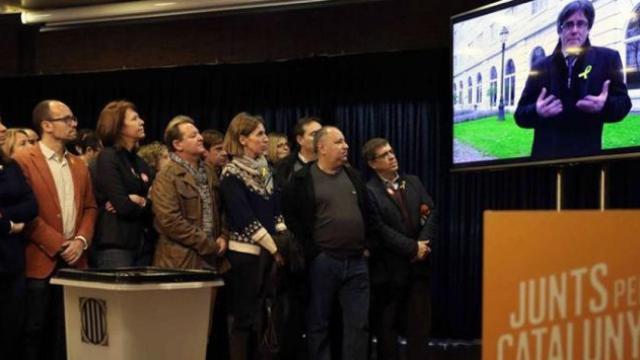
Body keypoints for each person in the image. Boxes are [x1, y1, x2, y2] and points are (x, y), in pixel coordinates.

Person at [282, 126, 379, 360]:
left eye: (345, 141)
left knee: (358, 325)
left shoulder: (352, 175)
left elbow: (370, 214)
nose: (345, 146)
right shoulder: (302, 179)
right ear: (322, 147)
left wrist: (368, 246)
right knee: (319, 324)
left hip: (357, 262)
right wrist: (314, 253)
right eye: (339, 142)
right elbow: (292, 219)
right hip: (323, 262)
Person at [14, 100, 97, 360]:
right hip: (40, 260)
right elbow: (23, 211)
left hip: (75, 261)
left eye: (73, 118)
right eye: (67, 119)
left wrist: (81, 240)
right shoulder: (23, 160)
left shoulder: (78, 164)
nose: (74, 124)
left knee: (70, 332)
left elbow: (91, 208)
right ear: (47, 125)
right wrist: (60, 244)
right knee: (35, 332)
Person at [514, 0, 631, 159]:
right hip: (545, 162)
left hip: (587, 161)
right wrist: (537, 110)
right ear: (559, 30)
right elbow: (520, 115)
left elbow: (623, 104)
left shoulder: (608, 59)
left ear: (588, 28)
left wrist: (604, 106)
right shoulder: (539, 67)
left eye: (581, 24)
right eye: (568, 24)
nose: (575, 30)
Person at [362, 138, 437, 360]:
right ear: (373, 164)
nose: (391, 157)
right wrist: (412, 248)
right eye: (384, 155)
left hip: (419, 269)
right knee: (387, 330)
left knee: (420, 327)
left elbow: (431, 213)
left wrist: (423, 245)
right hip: (389, 272)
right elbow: (379, 230)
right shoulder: (369, 191)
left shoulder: (413, 182)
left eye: (391, 152)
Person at [220, 112, 287, 360]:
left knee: (263, 315)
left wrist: (283, 236)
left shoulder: (265, 169)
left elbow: (276, 209)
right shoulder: (231, 172)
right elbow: (244, 217)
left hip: (269, 253)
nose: (265, 138)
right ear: (243, 138)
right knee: (243, 318)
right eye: (260, 134)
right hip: (244, 255)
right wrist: (275, 248)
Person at [93, 100, 155, 268]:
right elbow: (123, 206)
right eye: (135, 119)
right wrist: (139, 202)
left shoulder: (140, 161)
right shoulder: (108, 157)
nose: (141, 122)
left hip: (142, 244)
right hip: (116, 247)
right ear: (119, 127)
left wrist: (141, 201)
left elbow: (155, 204)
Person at [0, 117, 38, 360]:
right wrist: (9, 225)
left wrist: (6, 218)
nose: (3, 128)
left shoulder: (10, 165)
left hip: (12, 261)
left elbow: (31, 205)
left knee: (13, 328)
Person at [274, 116, 321, 189]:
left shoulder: (332, 163)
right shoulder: (284, 167)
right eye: (314, 134)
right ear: (300, 140)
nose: (320, 138)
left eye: (322, 134)